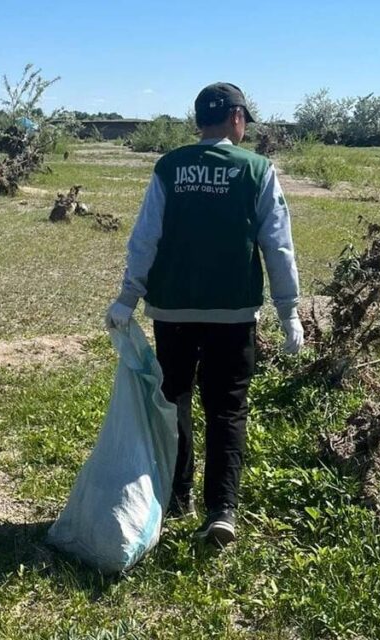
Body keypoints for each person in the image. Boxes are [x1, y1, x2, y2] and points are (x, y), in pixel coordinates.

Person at [105, 83, 303, 547]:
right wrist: (289, 310)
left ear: (199, 122)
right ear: (236, 118)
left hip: (172, 310)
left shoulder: (169, 167)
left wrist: (127, 298)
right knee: (227, 408)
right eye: (245, 118)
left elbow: (145, 239)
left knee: (175, 398)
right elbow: (278, 246)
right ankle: (223, 510)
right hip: (233, 314)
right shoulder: (257, 170)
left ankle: (177, 495)